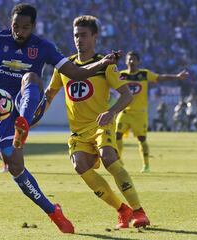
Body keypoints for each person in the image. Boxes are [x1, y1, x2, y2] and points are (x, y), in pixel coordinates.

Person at [0, 3, 119, 234]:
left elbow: (76, 72)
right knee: (14, 166)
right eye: (16, 26)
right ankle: (53, 211)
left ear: (33, 27)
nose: (20, 31)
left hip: (30, 106)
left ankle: (24, 126)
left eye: (25, 27)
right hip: (2, 112)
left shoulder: (43, 47)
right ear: (11, 23)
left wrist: (103, 62)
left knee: (30, 77)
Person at [45, 15, 150, 229]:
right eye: (76, 35)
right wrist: (31, 117)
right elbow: (49, 95)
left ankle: (139, 211)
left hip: (101, 125)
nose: (78, 40)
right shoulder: (64, 67)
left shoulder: (106, 65)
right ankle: (123, 210)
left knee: (109, 158)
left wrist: (111, 112)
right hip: (78, 132)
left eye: (83, 35)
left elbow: (127, 95)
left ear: (95, 36)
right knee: (79, 165)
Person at [115, 51, 189, 173]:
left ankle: (146, 165)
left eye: (134, 59)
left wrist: (176, 77)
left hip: (140, 113)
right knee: (117, 136)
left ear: (138, 61)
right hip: (125, 112)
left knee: (142, 139)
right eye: (129, 59)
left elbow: (160, 77)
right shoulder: (121, 75)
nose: (131, 62)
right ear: (125, 61)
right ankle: (118, 160)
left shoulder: (144, 74)